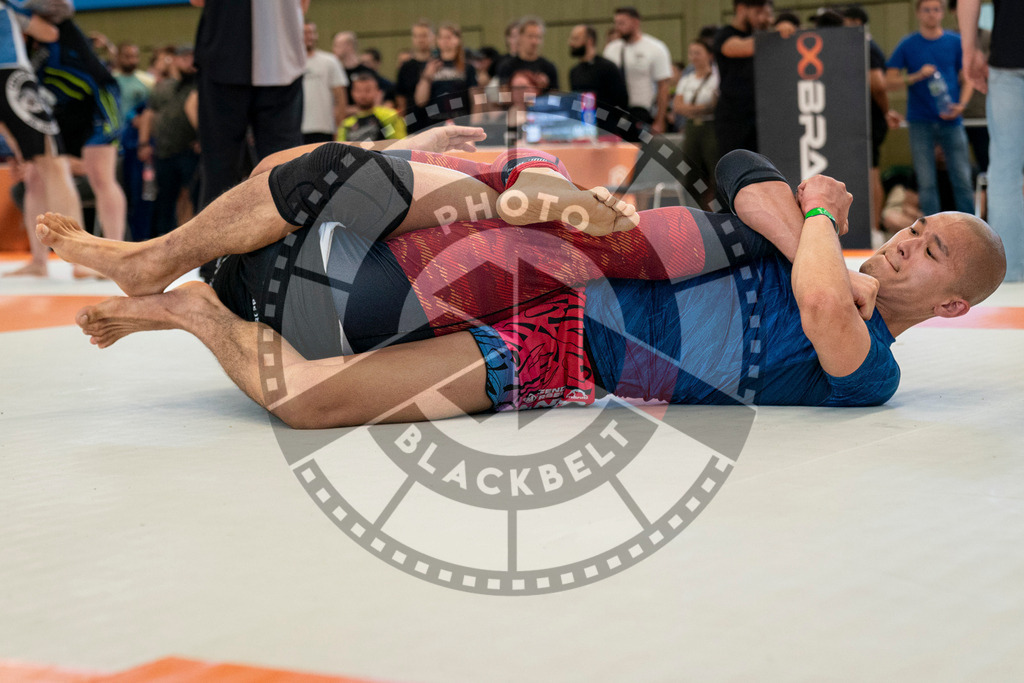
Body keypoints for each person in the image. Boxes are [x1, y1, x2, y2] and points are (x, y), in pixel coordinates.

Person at [36, 129, 1005, 429]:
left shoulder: (870, 368)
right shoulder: (804, 244)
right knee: (319, 171)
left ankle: (194, 308)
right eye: (913, 225)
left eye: (926, 250)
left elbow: (823, 311)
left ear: (953, 303)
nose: (906, 240)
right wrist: (814, 227)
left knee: (313, 404)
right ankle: (156, 255)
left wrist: (825, 229)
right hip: (582, 253)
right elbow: (750, 168)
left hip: (572, 347)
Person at [191, 0, 306, 218]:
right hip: (283, 59)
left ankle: (217, 249)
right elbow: (303, 6)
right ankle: (291, 247)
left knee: (219, 170)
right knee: (285, 169)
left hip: (223, 57)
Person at [0, 0, 83, 277]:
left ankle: (38, 262)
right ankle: (83, 259)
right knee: (54, 165)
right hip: (10, 75)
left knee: (34, 173)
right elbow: (49, 33)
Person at [885, 0, 974, 216]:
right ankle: (931, 230)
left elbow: (969, 77)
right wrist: (916, 76)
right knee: (926, 182)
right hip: (920, 120)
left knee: (962, 177)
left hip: (951, 119)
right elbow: (890, 80)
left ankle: (972, 229)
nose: (932, 14)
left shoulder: (955, 42)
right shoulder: (908, 44)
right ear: (918, 13)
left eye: (936, 9)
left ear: (942, 13)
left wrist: (961, 105)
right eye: (926, 10)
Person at [958, 0, 1023, 282]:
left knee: (1005, 172)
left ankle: (1010, 275)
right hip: (1006, 63)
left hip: (1009, 57)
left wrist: (969, 51)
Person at [137, 46, 199, 239]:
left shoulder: (200, 86)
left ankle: (193, 237)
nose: (189, 63)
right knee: (164, 199)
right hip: (163, 151)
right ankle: (165, 238)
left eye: (192, 59)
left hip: (190, 150)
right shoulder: (163, 87)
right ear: (176, 60)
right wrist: (143, 143)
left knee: (193, 195)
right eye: (185, 58)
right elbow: (148, 115)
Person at [842, 5, 891, 233]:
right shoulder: (857, 47)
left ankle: (873, 227)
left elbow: (878, 85)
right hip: (861, 118)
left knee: (871, 171)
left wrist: (885, 111)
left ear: (855, 23)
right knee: (866, 171)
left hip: (871, 119)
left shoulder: (867, 47)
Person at [713, 0, 779, 155]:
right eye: (758, 13)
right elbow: (741, 48)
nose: (764, 19)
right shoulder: (725, 35)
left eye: (768, 14)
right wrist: (777, 34)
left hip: (762, 114)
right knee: (737, 165)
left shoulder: (761, 35)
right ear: (742, 9)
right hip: (734, 118)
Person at [602, 7, 672, 132]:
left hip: (641, 111)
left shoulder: (655, 48)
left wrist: (660, 120)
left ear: (635, 23)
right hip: (616, 111)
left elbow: (663, 86)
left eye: (622, 23)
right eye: (616, 23)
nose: (618, 27)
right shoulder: (611, 49)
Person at [673, 40, 719, 203]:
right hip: (691, 127)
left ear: (709, 55)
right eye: (691, 53)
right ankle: (695, 206)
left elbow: (713, 106)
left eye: (698, 53)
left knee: (714, 167)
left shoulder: (716, 77)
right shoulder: (687, 79)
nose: (694, 57)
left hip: (710, 126)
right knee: (691, 169)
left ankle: (718, 206)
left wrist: (691, 108)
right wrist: (699, 108)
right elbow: (678, 106)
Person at [414, 22, 476, 125]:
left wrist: (476, 122)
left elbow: (475, 99)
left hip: (461, 120)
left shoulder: (467, 67)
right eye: (441, 37)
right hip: (435, 122)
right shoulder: (430, 65)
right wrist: (427, 77)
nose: (444, 41)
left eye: (448, 37)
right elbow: (420, 101)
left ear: (458, 39)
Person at [301, 22, 348, 145]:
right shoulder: (291, 64)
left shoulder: (330, 61)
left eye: (311, 32)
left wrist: (340, 128)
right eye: (305, 33)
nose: (309, 36)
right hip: (297, 129)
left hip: (324, 128)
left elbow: (340, 98)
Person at [568, 24, 628, 111]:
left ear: (590, 41)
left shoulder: (608, 68)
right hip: (585, 122)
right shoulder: (574, 72)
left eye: (576, 39)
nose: (571, 43)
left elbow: (621, 102)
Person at [338, 71, 405, 142]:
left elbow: (400, 143)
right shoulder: (346, 124)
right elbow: (341, 149)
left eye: (367, 90)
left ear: (378, 92)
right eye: (358, 91)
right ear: (352, 93)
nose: (362, 95)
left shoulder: (389, 116)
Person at [496, 16, 559, 91]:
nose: (534, 41)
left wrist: (544, 87)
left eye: (538, 37)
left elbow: (556, 99)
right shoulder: (507, 66)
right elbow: (503, 98)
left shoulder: (549, 67)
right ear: (520, 37)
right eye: (530, 36)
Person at [395, 19, 434, 133]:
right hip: (414, 122)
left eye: (424, 36)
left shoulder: (439, 63)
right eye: (417, 36)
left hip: (438, 119)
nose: (421, 40)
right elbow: (400, 96)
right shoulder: (406, 67)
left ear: (432, 37)